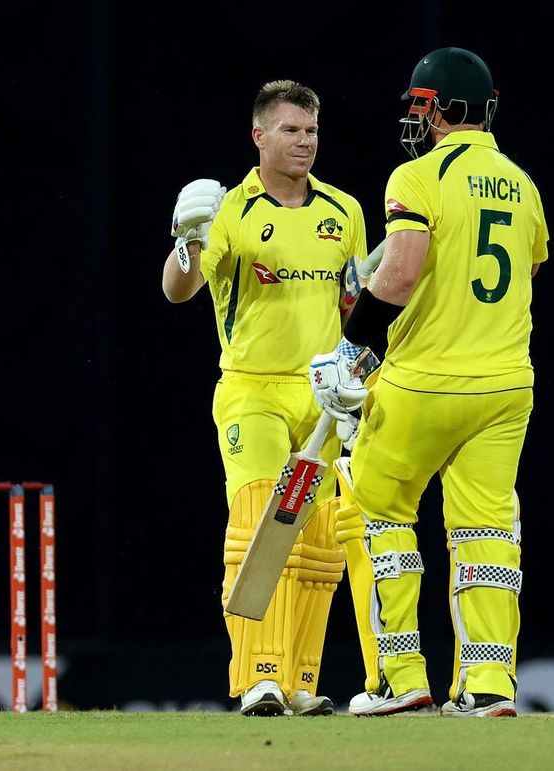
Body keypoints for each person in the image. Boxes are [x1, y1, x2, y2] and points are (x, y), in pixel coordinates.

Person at [307, 47, 549, 718]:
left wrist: (352, 344)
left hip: (426, 381)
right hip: (506, 385)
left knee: (378, 506)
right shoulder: (522, 183)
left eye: (421, 107)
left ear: (440, 110)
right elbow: (523, 279)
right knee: (487, 531)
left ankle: (399, 675)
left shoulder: (418, 176)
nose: (416, 119)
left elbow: (404, 272)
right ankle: (489, 684)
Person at [162, 80, 367, 716]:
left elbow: (358, 300)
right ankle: (257, 676)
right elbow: (178, 290)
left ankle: (300, 680)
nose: (304, 142)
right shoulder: (228, 211)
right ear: (259, 136)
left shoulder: (345, 211)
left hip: (324, 398)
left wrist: (356, 371)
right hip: (252, 391)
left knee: (317, 539)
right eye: (290, 131)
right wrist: (185, 242)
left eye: (310, 131)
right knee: (258, 519)